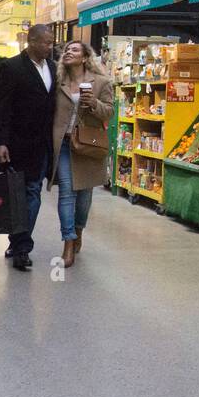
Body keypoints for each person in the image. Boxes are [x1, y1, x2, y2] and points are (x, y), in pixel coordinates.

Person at [0, 25, 57, 271]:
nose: (49, 47)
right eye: (45, 42)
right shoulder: (12, 67)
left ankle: (21, 245)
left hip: (42, 145)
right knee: (17, 195)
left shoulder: (52, 68)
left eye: (51, 43)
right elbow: (2, 108)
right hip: (17, 144)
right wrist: (0, 142)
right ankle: (20, 244)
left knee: (32, 193)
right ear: (30, 41)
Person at [49, 40, 113, 268]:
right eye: (66, 49)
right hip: (64, 144)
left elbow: (110, 112)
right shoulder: (58, 82)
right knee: (67, 191)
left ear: (85, 57)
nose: (68, 52)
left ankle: (78, 230)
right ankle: (68, 242)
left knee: (84, 195)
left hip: (88, 145)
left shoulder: (101, 82)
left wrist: (94, 103)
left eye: (74, 50)